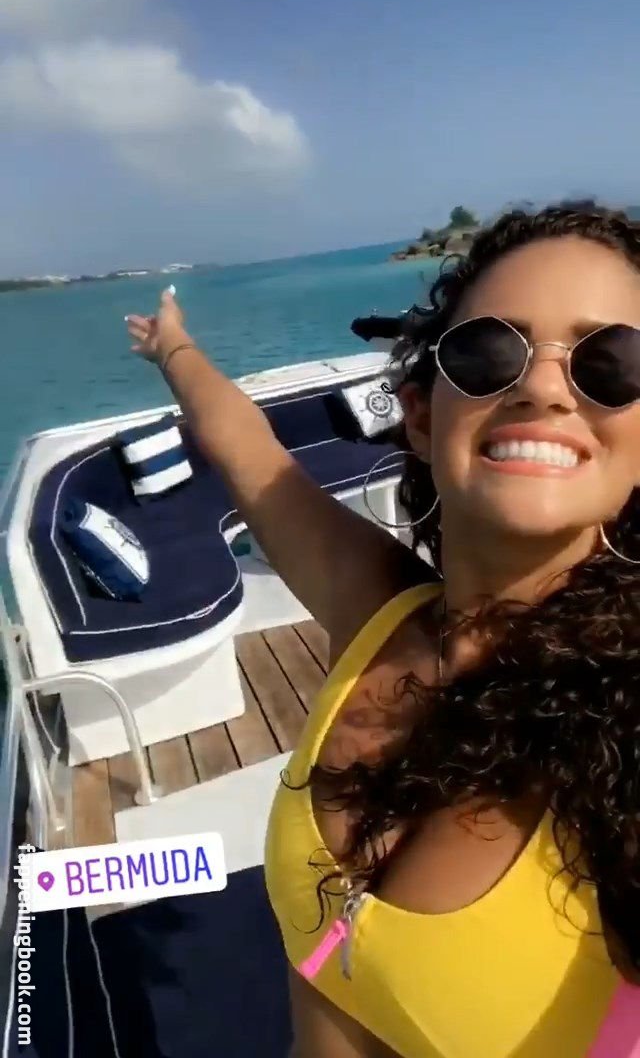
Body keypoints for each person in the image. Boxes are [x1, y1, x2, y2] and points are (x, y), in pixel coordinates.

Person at [127, 203, 640, 1057]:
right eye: (490, 352)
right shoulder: (379, 610)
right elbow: (246, 447)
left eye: (612, 363)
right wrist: (172, 345)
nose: (545, 389)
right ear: (422, 418)